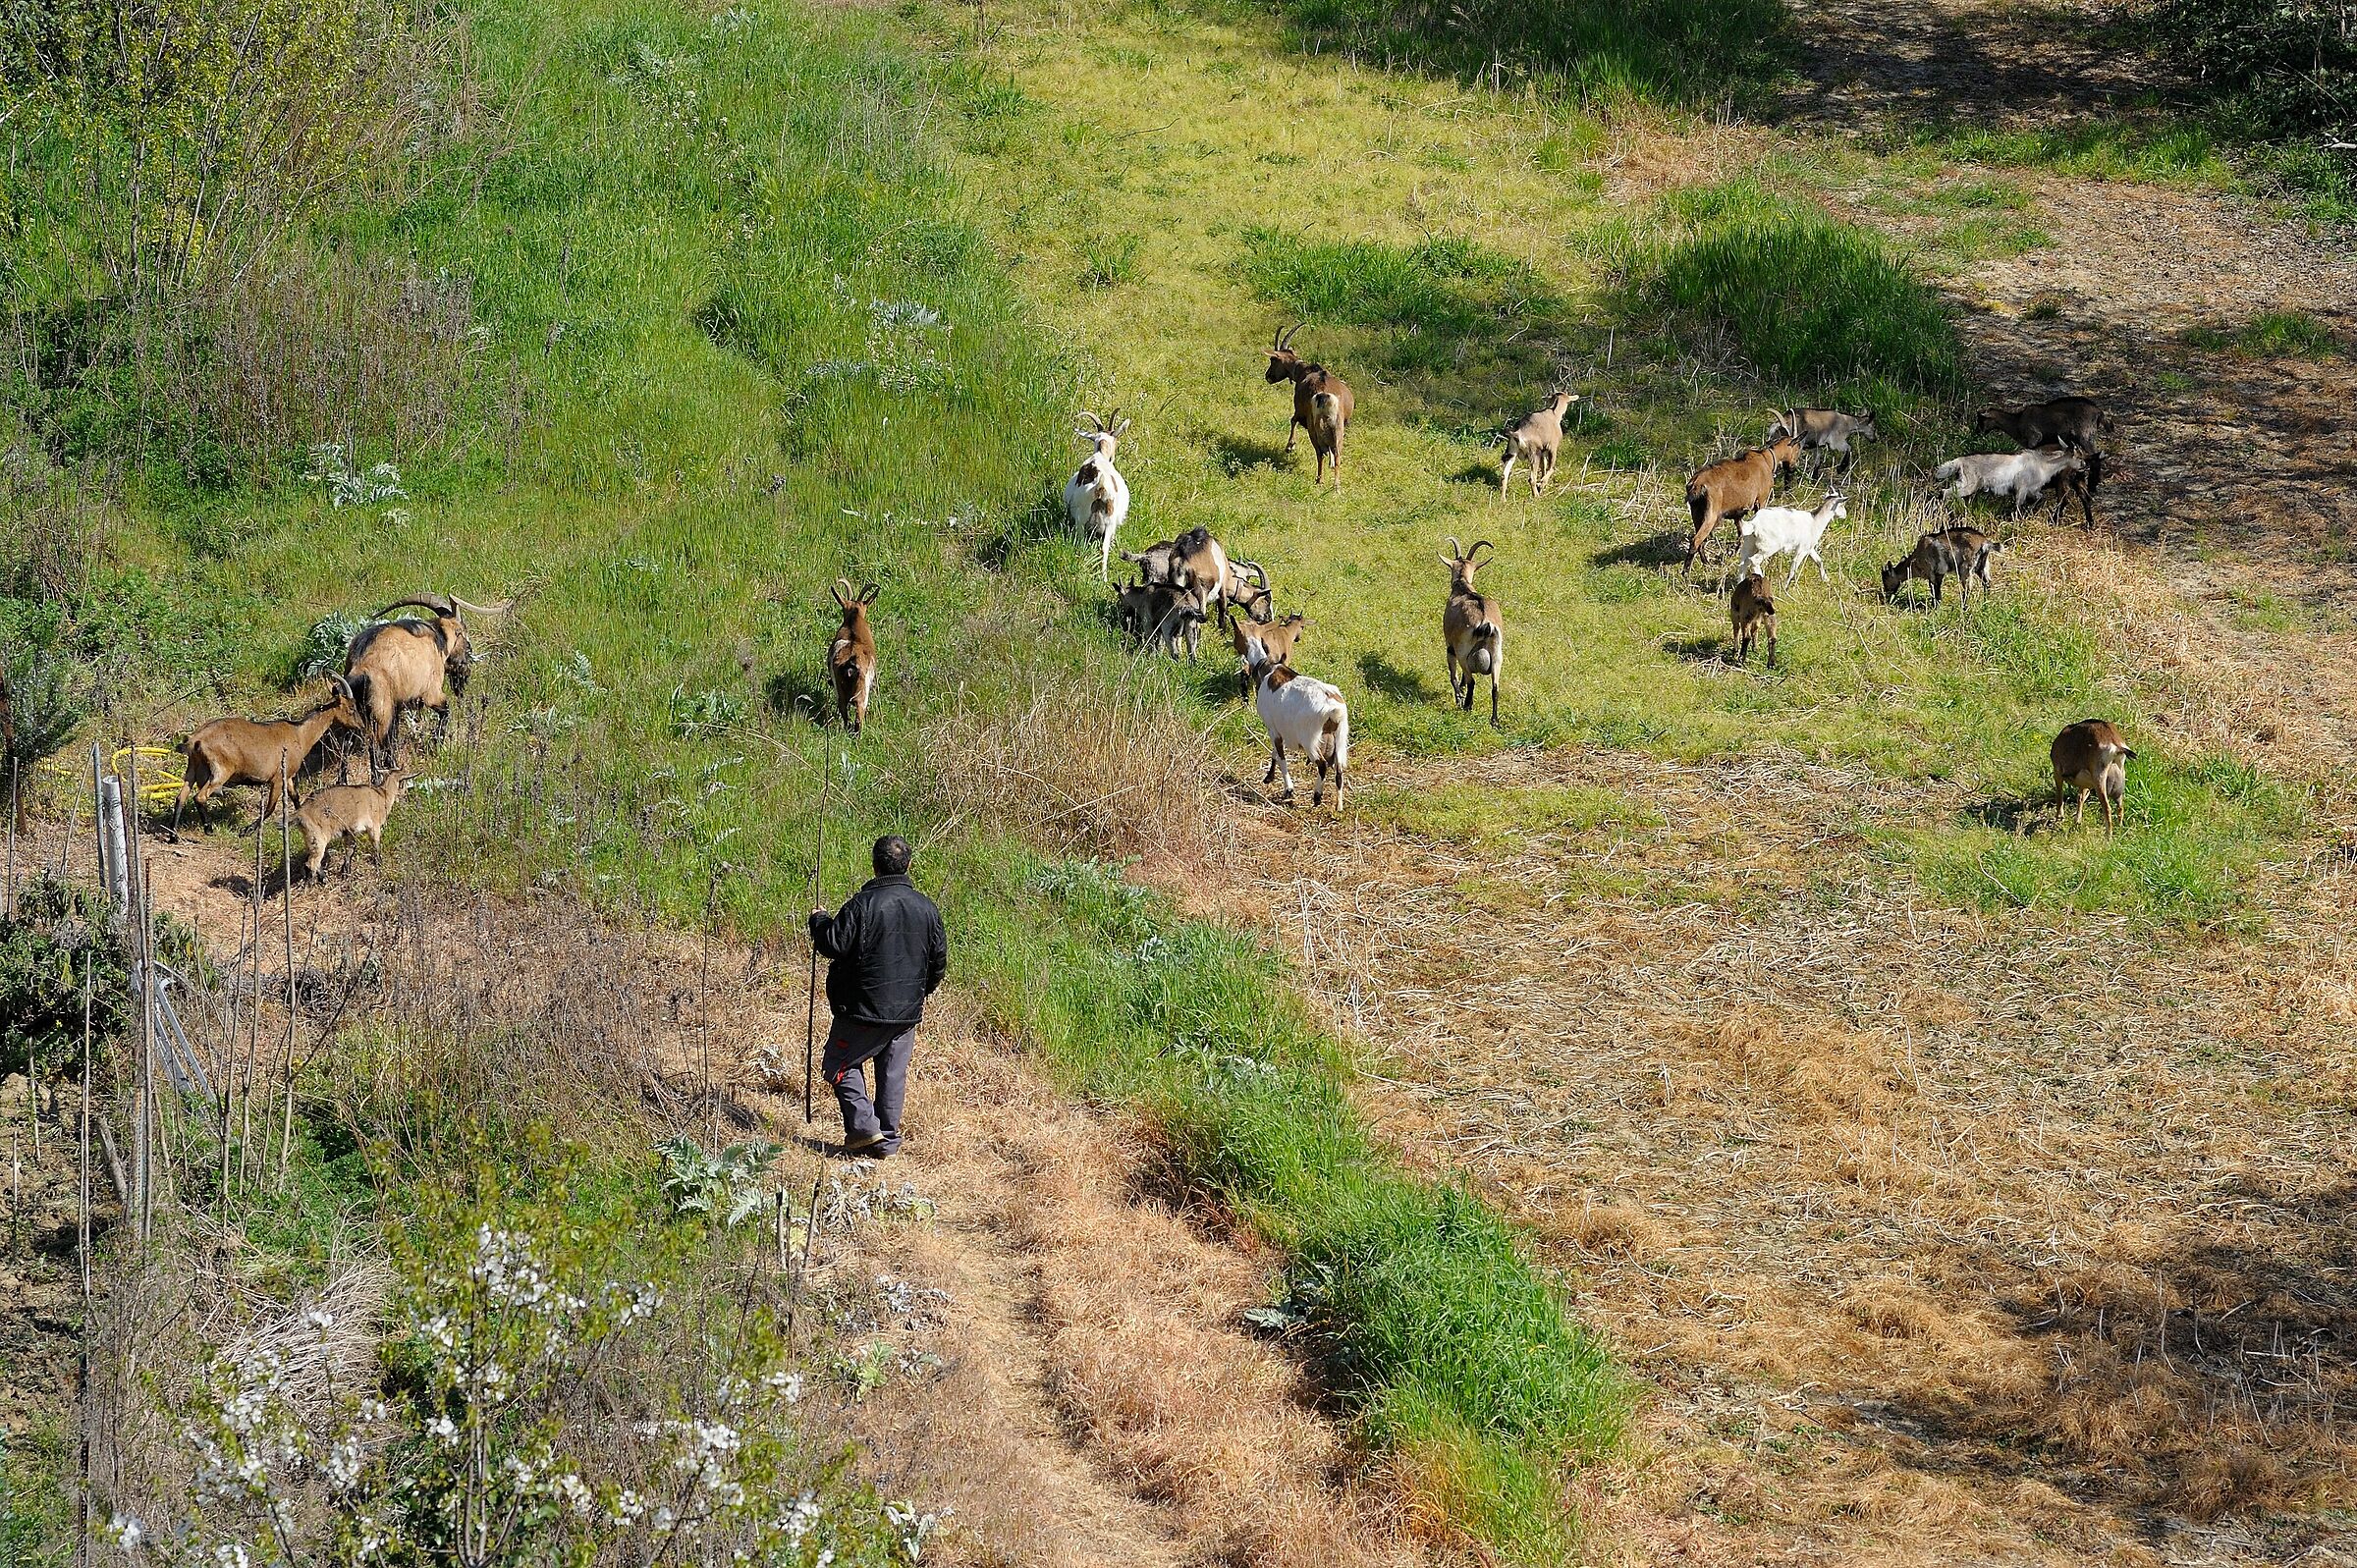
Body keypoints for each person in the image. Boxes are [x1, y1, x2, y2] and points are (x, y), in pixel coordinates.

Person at [808, 835, 948, 1157]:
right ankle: (886, 1142)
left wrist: (818, 920)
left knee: (838, 1062)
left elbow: (832, 943)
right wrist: (919, 993)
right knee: (892, 1075)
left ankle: (865, 1129)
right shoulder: (927, 908)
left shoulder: (862, 905)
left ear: (874, 865)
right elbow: (938, 961)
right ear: (908, 866)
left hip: (862, 1010)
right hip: (907, 1013)